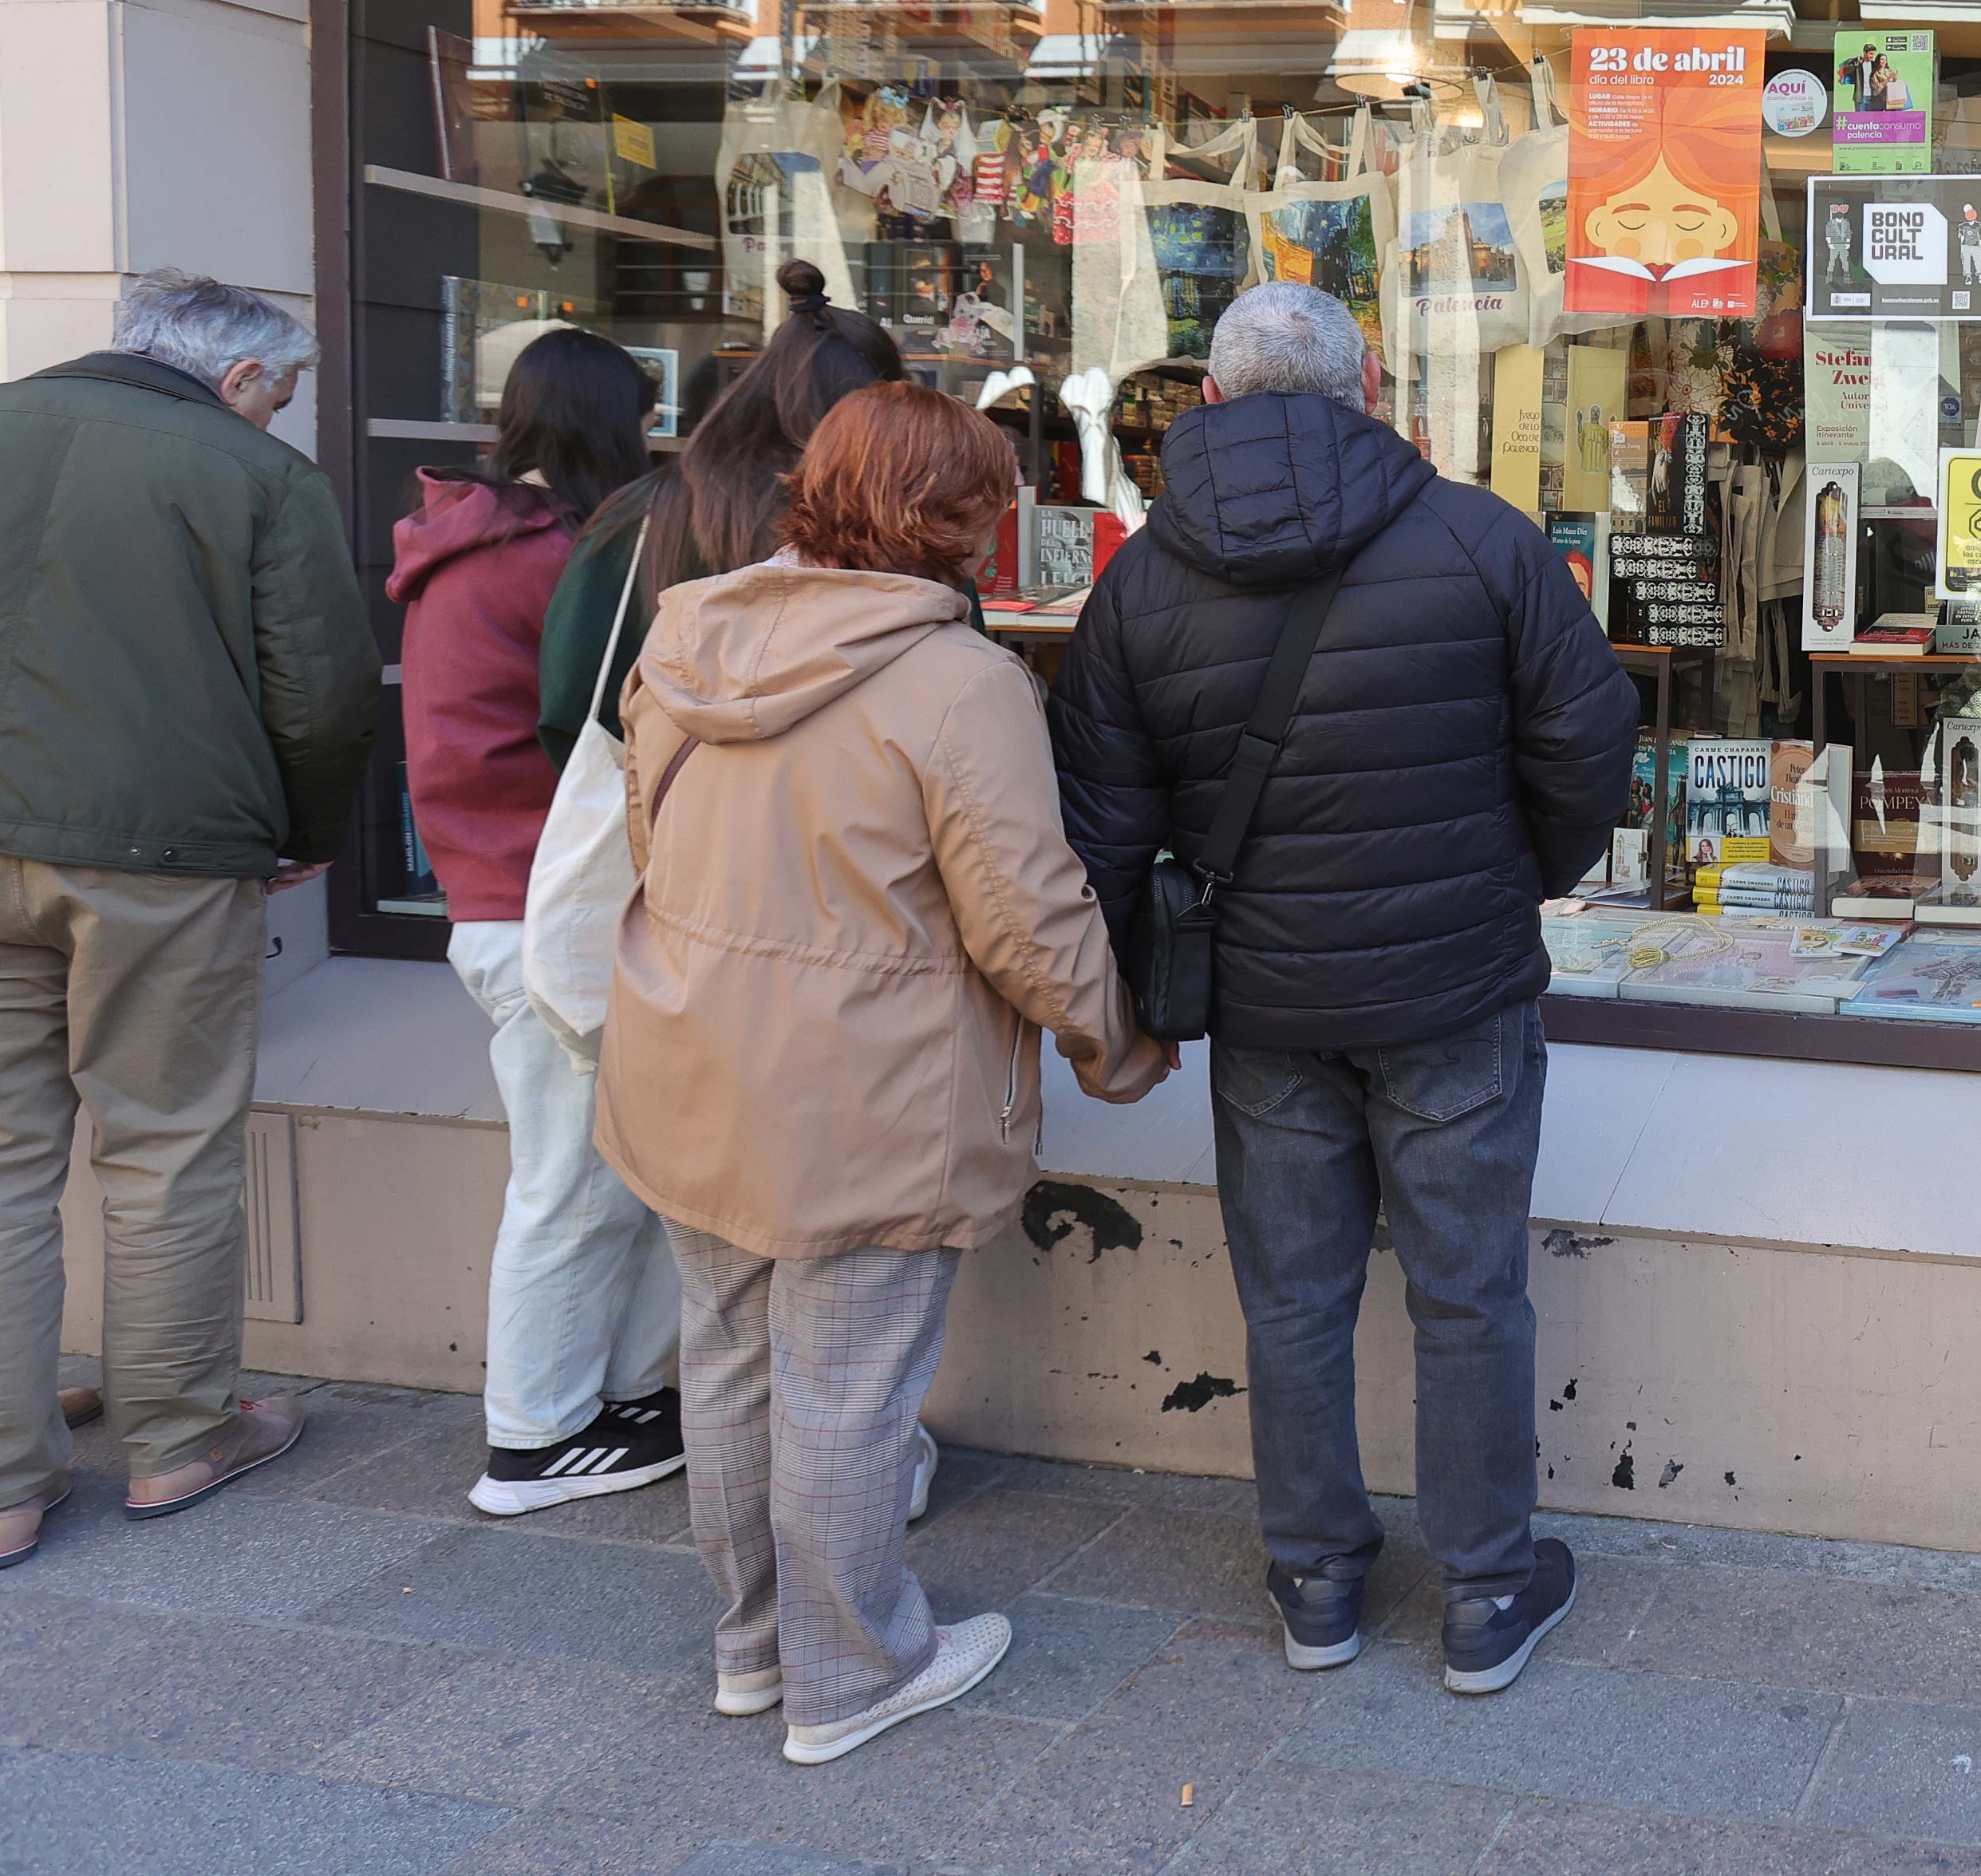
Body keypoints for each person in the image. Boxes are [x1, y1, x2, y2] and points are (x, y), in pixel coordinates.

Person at [1049, 282, 1638, 1694]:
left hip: (1266, 1002)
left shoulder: (1140, 577)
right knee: (1471, 1293)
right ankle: (1490, 1591)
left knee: (1294, 1297)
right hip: (1455, 990)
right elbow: (1590, 743)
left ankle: (1317, 1576)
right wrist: (1517, 879)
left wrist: (1139, 978)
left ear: (1212, 402)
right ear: (1366, 386)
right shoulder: (1482, 538)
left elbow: (1102, 818)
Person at [598, 382, 1170, 1764]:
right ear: (945, 518)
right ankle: (852, 1672)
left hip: (686, 1055)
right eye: (984, 502)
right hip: (867, 1089)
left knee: (727, 1362)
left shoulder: (689, 630)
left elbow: (643, 836)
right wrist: (1118, 1040)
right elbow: (1026, 916)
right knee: (846, 1389)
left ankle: (752, 1649)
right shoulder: (956, 681)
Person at [0, 271, 373, 1573]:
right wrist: (304, 833)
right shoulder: (256, 475)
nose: (284, 415)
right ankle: (180, 1436)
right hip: (167, 857)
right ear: (242, 380)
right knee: (167, 1151)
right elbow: (324, 692)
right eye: (284, 393)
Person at [390, 326, 684, 1516]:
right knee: (571, 1181)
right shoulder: (551, 555)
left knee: (604, 1176)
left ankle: (599, 1402)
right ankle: (532, 1436)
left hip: (495, 893)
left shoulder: (476, 539)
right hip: (544, 902)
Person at [537, 260, 903, 776]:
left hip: (669, 831)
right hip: (858, 831)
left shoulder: (642, 514)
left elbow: (571, 701)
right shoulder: (903, 523)